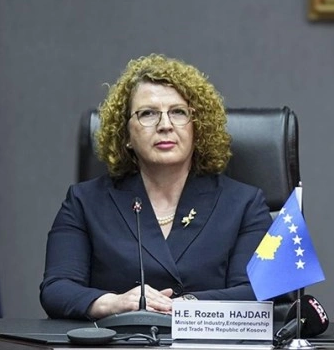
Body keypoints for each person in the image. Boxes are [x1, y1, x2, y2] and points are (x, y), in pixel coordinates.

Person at [40, 54, 271, 320]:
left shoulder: (244, 204)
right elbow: (57, 289)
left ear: (197, 128)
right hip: (121, 339)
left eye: (178, 112)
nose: (165, 125)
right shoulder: (84, 202)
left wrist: (187, 306)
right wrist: (115, 303)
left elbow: (256, 290)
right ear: (126, 134)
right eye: (148, 114)